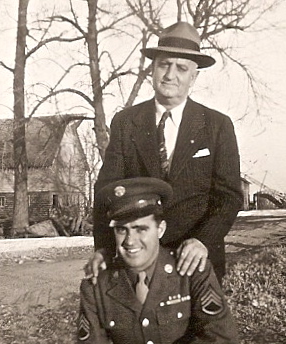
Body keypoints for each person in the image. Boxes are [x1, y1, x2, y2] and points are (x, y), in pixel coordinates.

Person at [77, 177, 250, 344]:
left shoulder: (190, 269)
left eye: (140, 229)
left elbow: (221, 339)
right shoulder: (97, 283)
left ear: (161, 229)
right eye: (122, 230)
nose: (130, 241)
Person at [87, 21, 243, 283]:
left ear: (194, 77)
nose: (171, 75)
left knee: (205, 325)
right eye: (164, 65)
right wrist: (103, 248)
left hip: (196, 263)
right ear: (153, 69)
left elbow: (228, 197)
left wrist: (202, 241)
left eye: (181, 68)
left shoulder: (217, 125)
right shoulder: (126, 123)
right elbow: (106, 192)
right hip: (138, 264)